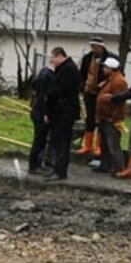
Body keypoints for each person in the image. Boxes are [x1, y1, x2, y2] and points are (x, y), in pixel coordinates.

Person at [43, 47, 81, 182]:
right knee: (58, 141)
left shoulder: (68, 70)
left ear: (59, 56)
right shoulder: (66, 68)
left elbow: (62, 89)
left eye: (52, 58)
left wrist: (50, 94)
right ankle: (57, 169)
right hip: (61, 111)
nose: (51, 61)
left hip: (64, 112)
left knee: (61, 142)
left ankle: (60, 171)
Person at [77, 36, 116, 160]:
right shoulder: (88, 58)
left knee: (101, 119)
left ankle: (98, 145)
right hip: (89, 92)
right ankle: (87, 145)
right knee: (90, 118)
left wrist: (105, 84)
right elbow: (82, 74)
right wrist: (82, 86)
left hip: (102, 93)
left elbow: (117, 75)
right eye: (92, 46)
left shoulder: (111, 59)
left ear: (101, 46)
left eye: (95, 46)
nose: (93, 49)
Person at [95, 57, 128, 175]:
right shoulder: (110, 79)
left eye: (106, 67)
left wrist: (116, 118)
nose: (103, 69)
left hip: (111, 118)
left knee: (113, 144)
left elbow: (119, 102)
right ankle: (105, 165)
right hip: (105, 116)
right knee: (104, 143)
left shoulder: (119, 82)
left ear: (112, 69)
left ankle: (118, 167)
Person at [28, 62, 55, 175]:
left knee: (41, 140)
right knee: (39, 140)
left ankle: (38, 164)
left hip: (37, 111)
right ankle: (34, 165)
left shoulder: (42, 74)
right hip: (41, 113)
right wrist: (46, 113)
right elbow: (42, 98)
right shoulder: (46, 77)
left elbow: (34, 86)